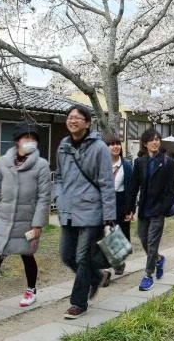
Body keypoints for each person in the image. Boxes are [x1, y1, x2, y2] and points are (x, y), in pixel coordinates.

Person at [0, 122, 51, 313]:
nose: (30, 142)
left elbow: (44, 197)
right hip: (3, 219)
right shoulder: (3, 162)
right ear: (17, 140)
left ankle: (31, 290)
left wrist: (38, 223)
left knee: (27, 255)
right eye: (26, 138)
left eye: (33, 139)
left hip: (28, 221)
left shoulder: (41, 165)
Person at [54, 105, 116, 319]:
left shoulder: (99, 148)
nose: (73, 121)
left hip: (92, 210)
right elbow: (59, 177)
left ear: (88, 123)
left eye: (78, 118)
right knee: (66, 255)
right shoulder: (63, 145)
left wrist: (109, 215)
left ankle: (78, 303)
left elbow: (107, 183)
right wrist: (58, 197)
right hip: (68, 210)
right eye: (70, 117)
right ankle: (97, 277)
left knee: (83, 257)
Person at [125, 128, 174, 291]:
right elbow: (134, 187)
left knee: (152, 241)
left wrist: (164, 207)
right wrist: (130, 209)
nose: (155, 142)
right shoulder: (139, 162)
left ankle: (148, 275)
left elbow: (172, 189)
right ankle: (158, 259)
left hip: (159, 209)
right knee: (142, 238)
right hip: (144, 208)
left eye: (157, 139)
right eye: (152, 140)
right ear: (145, 143)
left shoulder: (167, 162)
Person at [100, 134, 133, 287]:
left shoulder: (126, 166)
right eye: (111, 144)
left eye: (117, 144)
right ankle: (106, 271)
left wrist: (130, 210)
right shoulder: (100, 165)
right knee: (106, 236)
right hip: (103, 206)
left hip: (120, 206)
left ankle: (119, 260)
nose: (115, 147)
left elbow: (130, 190)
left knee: (119, 237)